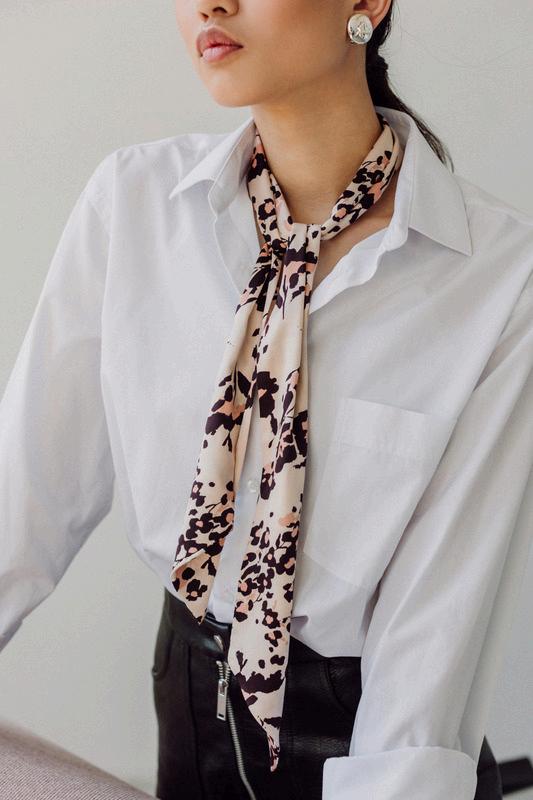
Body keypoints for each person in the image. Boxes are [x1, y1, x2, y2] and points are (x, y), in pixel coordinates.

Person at [1, 1, 532, 799]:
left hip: (369, 743)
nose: (209, 5)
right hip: (189, 702)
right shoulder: (134, 204)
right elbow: (26, 495)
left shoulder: (498, 277)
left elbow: (437, 620)